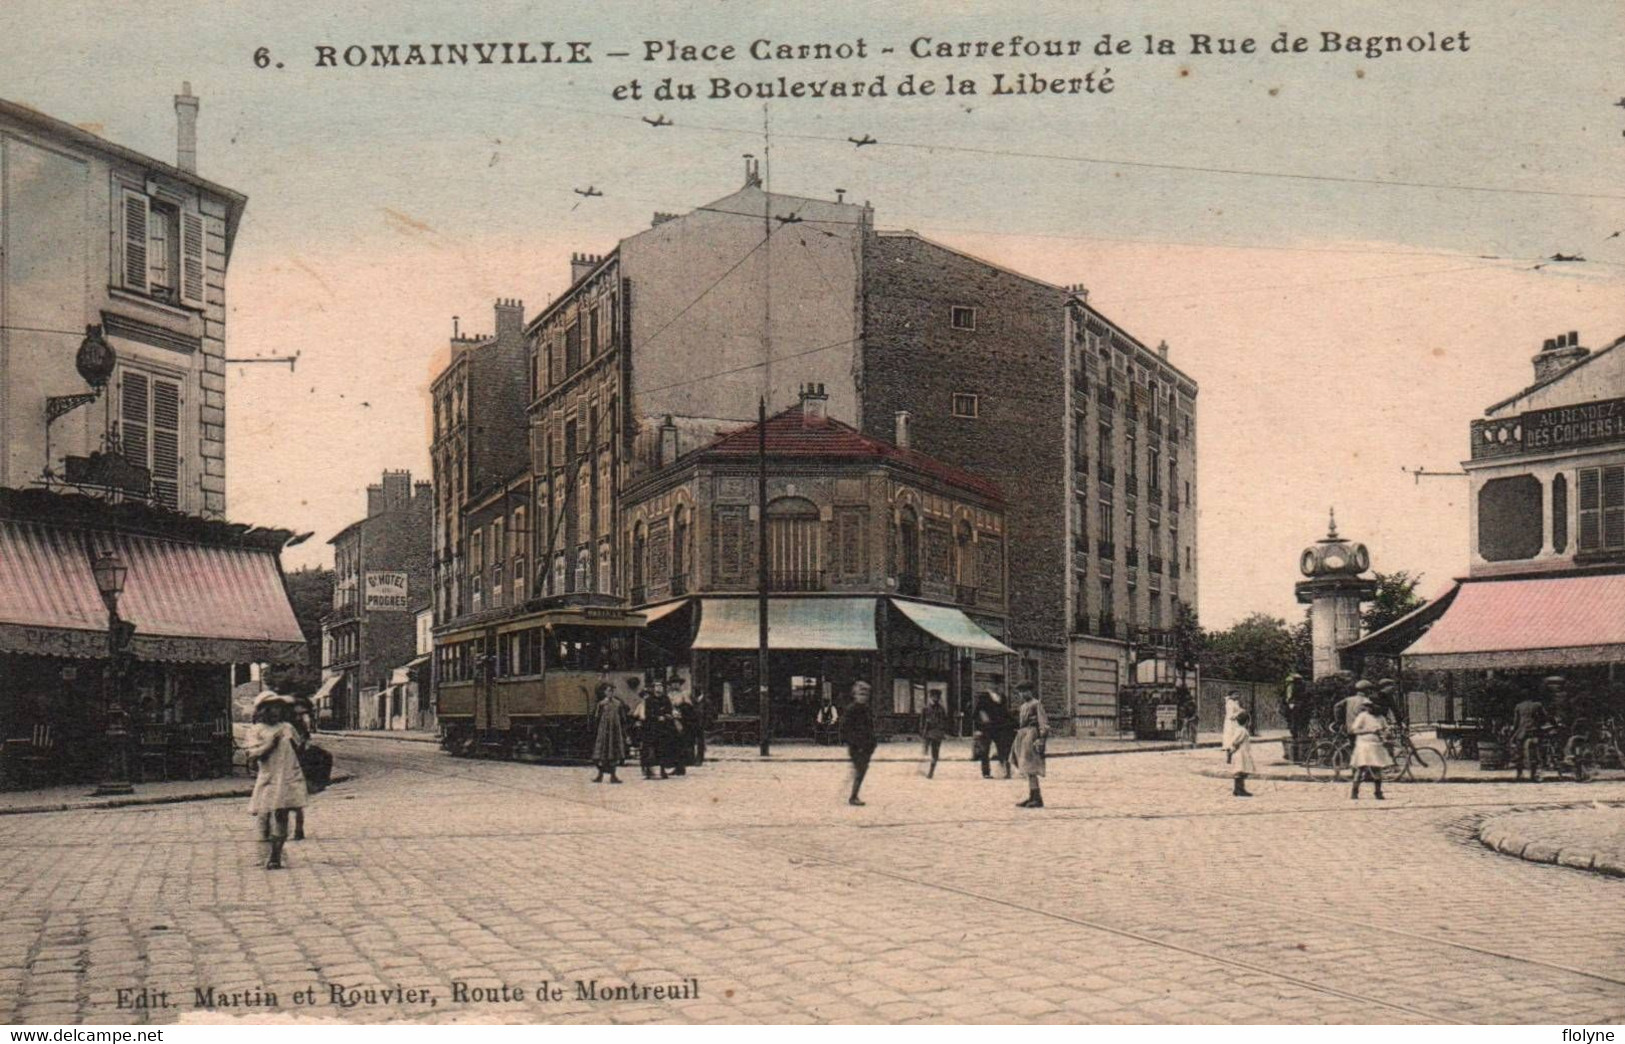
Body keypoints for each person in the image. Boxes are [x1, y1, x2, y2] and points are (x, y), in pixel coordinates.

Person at [245, 692, 308, 870]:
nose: (276, 711)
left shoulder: (287, 727)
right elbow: (251, 755)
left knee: (282, 814)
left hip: (288, 776)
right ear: (263, 710)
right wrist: (269, 745)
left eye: (279, 708)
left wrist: (301, 744)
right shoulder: (256, 730)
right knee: (264, 815)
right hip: (268, 778)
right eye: (272, 708)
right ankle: (265, 851)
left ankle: (275, 856)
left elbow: (300, 748)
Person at [839, 681, 877, 806]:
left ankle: (851, 790)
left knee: (861, 769)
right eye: (861, 694)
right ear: (855, 694)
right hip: (856, 746)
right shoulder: (851, 709)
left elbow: (870, 727)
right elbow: (844, 728)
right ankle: (853, 797)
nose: (863, 696)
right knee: (860, 769)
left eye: (866, 694)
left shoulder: (867, 709)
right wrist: (853, 742)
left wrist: (872, 742)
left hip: (867, 745)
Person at [1011, 683, 1049, 808]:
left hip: (1032, 736)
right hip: (1022, 736)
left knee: (1031, 767)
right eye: (1020, 692)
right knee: (1025, 767)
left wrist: (1041, 738)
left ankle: (1037, 798)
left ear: (1030, 691)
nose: (1022, 694)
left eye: (1024, 691)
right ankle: (1032, 796)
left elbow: (1043, 723)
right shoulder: (1023, 706)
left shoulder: (1036, 704)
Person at [1349, 701, 1392, 800]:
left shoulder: (1380, 718)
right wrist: (1370, 730)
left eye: (1372, 707)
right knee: (1361, 768)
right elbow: (1354, 730)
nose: (1370, 709)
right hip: (1364, 745)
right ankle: (1354, 791)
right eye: (1368, 707)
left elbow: (1386, 729)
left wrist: (1386, 734)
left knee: (1377, 768)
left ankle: (1378, 792)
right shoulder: (1363, 716)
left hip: (1376, 745)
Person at [590, 683, 628, 784]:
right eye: (608, 691)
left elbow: (623, 718)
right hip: (603, 731)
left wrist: (624, 732)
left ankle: (613, 775)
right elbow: (596, 718)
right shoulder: (601, 704)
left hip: (615, 731)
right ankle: (600, 775)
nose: (610, 693)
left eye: (612, 691)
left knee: (613, 753)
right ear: (605, 692)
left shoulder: (618, 704)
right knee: (601, 753)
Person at [1511, 690, 1549, 783]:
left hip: (1522, 732)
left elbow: (1516, 722)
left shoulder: (1519, 706)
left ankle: (1519, 774)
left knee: (1518, 752)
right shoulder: (1537, 705)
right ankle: (1533, 773)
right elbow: (1545, 717)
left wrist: (1513, 733)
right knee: (1536, 751)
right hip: (1534, 731)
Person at [975, 690, 1014, 779]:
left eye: (999, 684)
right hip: (986, 729)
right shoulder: (984, 697)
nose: (997, 687)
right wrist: (979, 726)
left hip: (999, 729)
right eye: (995, 684)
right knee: (985, 751)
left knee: (1003, 750)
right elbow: (977, 712)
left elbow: (1005, 713)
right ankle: (986, 772)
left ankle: (1006, 771)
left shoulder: (1002, 698)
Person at [1225, 709, 1256, 797]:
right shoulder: (1242, 731)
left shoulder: (1238, 729)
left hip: (1240, 752)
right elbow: (1236, 741)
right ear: (1246, 722)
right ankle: (1239, 789)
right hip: (1241, 753)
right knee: (1240, 771)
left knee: (1240, 771)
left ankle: (1238, 789)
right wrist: (1234, 748)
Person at [919, 691, 948, 779]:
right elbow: (922, 721)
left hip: (937, 733)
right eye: (934, 697)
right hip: (928, 732)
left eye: (937, 697)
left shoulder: (941, 709)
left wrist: (943, 731)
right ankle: (924, 769)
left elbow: (944, 720)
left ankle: (931, 771)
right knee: (925, 752)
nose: (935, 699)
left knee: (935, 753)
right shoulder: (925, 708)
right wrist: (921, 732)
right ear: (930, 697)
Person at [1222, 691, 1245, 762]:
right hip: (1231, 722)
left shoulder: (1235, 702)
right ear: (1231, 695)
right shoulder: (1229, 703)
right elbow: (1231, 715)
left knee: (1236, 737)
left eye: (1237, 694)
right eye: (1235, 694)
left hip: (1235, 722)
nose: (1237, 696)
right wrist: (1239, 713)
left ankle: (1231, 752)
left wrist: (1241, 710)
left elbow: (1237, 710)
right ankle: (1230, 752)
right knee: (1232, 737)